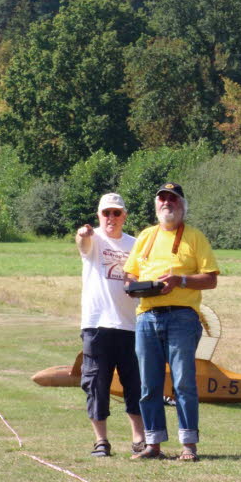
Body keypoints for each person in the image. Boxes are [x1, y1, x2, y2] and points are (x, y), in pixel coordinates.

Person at [124, 182, 219, 462]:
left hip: (182, 316)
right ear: (156, 206)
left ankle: (188, 444)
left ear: (183, 206)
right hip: (146, 316)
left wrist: (181, 280)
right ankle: (153, 444)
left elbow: (211, 278)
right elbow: (130, 275)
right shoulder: (145, 237)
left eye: (173, 199)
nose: (167, 203)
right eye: (162, 199)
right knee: (149, 384)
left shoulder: (195, 237)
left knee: (183, 382)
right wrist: (139, 287)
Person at [75, 193, 145, 457]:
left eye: (116, 213)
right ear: (98, 216)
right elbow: (81, 242)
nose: (111, 218)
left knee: (134, 384)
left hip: (130, 326)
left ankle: (139, 438)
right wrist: (83, 233)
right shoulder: (93, 240)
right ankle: (101, 441)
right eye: (106, 213)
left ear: (124, 216)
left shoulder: (135, 244)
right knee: (96, 383)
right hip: (96, 325)